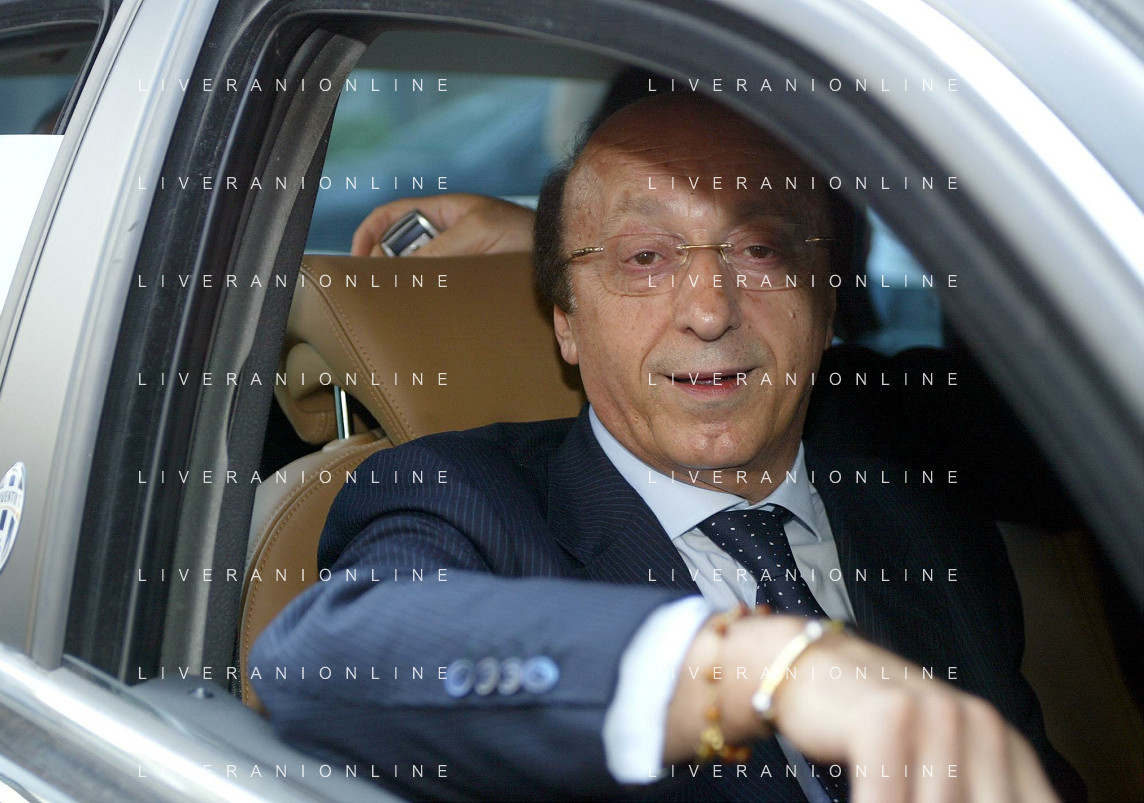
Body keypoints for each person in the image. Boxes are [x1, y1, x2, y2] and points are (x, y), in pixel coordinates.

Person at [252, 93, 1084, 802]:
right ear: (566, 322)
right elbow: (331, 660)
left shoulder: (914, 486)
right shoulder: (464, 497)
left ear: (828, 303)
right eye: (645, 259)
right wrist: (753, 668)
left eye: (759, 250)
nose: (710, 309)